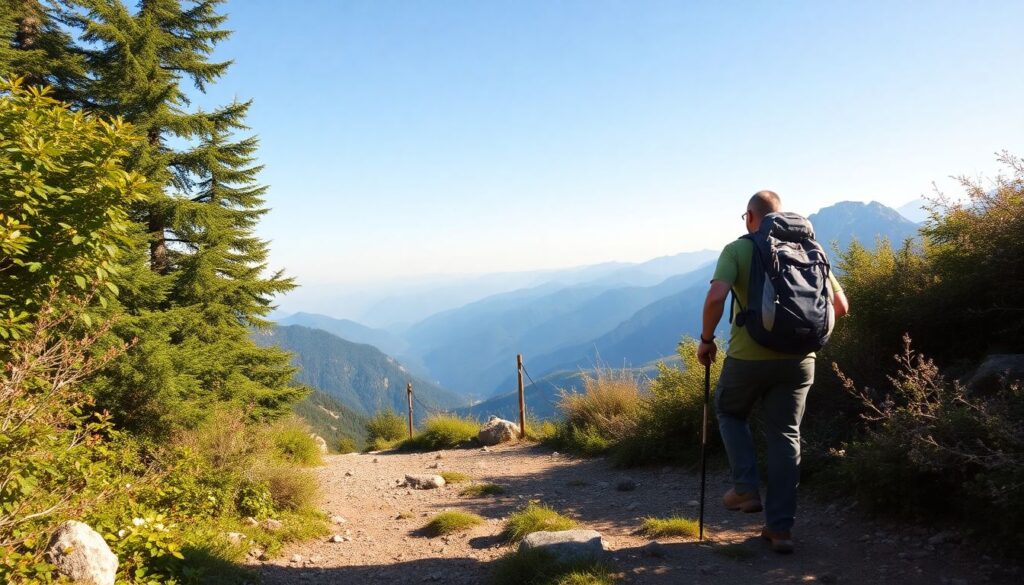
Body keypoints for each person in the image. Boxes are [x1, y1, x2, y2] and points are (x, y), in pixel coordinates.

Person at [696, 190, 849, 554]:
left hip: (749, 357)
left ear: (751, 216)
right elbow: (841, 306)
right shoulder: (810, 250)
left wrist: (706, 340)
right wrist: (803, 338)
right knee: (785, 435)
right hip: (801, 361)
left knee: (729, 411)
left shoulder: (739, 249)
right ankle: (780, 530)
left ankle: (746, 488)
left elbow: (716, 297)